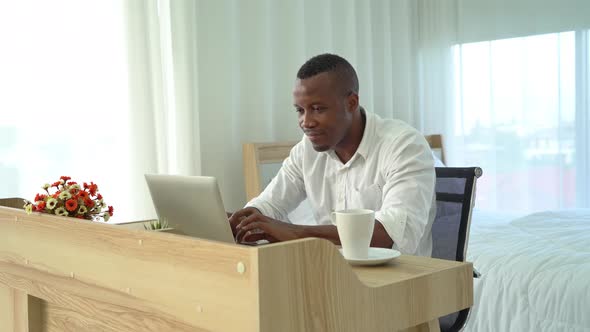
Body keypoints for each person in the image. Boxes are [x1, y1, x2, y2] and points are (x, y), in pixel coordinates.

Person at [229, 53, 436, 256]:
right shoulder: (306, 150)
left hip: (401, 279)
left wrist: (295, 232)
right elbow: (270, 204)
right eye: (300, 110)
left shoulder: (404, 146)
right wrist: (243, 220)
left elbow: (393, 234)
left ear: (352, 103)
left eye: (318, 108)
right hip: (331, 274)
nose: (306, 122)